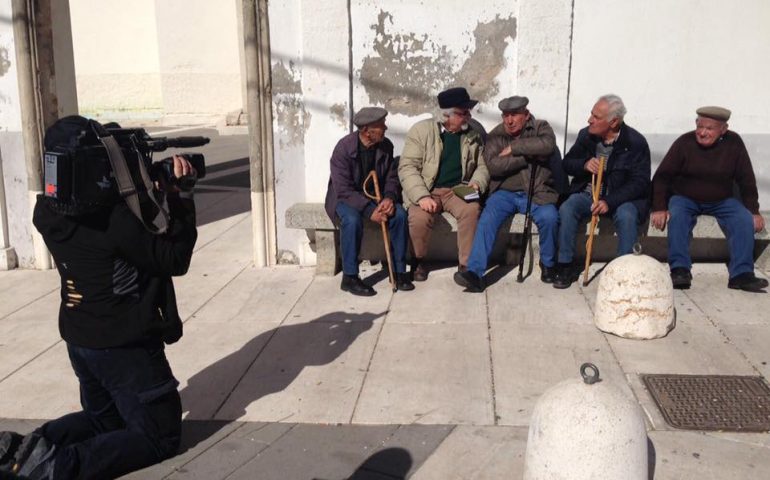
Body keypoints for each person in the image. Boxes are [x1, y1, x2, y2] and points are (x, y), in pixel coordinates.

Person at [0, 116, 198, 479]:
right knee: (160, 435)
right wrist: (179, 195)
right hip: (122, 345)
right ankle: (56, 468)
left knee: (102, 421)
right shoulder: (114, 222)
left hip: (80, 339)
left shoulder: (45, 211)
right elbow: (174, 259)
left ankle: (21, 449)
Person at [651, 106, 768, 292]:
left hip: (722, 200)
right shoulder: (685, 142)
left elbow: (746, 179)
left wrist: (753, 211)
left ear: (723, 129)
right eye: (699, 126)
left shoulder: (734, 143)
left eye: (709, 128)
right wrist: (659, 207)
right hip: (685, 197)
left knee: (743, 219)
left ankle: (742, 274)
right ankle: (680, 269)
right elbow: (662, 176)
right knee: (678, 216)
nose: (702, 132)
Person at [454, 96, 559, 292]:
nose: (509, 121)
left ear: (526, 115)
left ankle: (548, 265)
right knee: (487, 218)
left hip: (537, 191)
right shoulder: (496, 135)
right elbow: (494, 166)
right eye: (505, 116)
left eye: (514, 115)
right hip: (505, 193)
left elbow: (547, 146)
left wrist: (515, 148)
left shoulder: (540, 127)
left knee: (550, 217)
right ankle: (475, 273)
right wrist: (527, 156)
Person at [553, 94, 651, 289]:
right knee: (568, 207)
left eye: (596, 117)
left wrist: (610, 201)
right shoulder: (586, 135)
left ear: (613, 122)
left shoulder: (635, 143)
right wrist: (584, 164)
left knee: (627, 216)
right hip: (588, 193)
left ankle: (623, 272)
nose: (590, 120)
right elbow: (567, 164)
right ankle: (565, 264)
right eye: (591, 114)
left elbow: (639, 183)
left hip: (620, 198)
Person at [399, 87, 489, 280]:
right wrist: (422, 196)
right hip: (427, 188)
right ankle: (418, 261)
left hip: (457, 190)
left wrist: (476, 183)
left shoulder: (472, 135)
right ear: (446, 115)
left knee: (471, 210)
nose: (467, 116)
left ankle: (466, 265)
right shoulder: (421, 131)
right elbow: (407, 167)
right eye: (463, 112)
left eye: (468, 112)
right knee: (419, 217)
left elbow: (482, 166)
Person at [324, 107, 414, 296]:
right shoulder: (343, 149)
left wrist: (389, 198)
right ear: (366, 131)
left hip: (377, 196)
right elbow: (343, 189)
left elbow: (392, 177)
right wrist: (368, 210)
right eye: (381, 126)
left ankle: (397, 270)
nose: (385, 128)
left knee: (399, 215)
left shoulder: (385, 146)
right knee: (352, 221)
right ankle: (349, 277)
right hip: (346, 198)